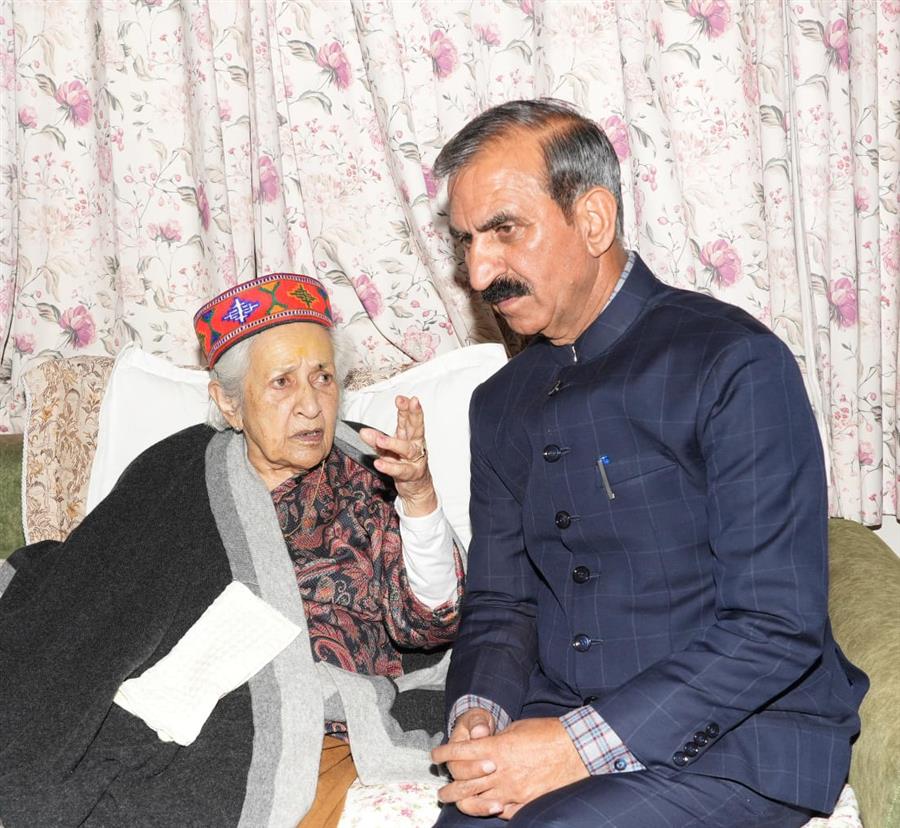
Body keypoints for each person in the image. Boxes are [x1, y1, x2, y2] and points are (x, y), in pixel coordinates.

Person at [429, 99, 868, 827]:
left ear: (593, 220)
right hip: (561, 719)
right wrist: (481, 713)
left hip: (739, 741)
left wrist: (572, 748)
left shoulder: (732, 361)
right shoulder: (500, 403)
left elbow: (775, 625)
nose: (479, 273)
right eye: (466, 242)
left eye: (504, 230)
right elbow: (503, 602)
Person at [0, 273, 464, 827]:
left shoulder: (370, 469)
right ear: (229, 402)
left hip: (322, 721)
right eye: (282, 383)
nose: (311, 405)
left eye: (322, 377)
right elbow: (97, 598)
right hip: (184, 711)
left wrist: (419, 497)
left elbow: (431, 625)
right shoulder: (171, 471)